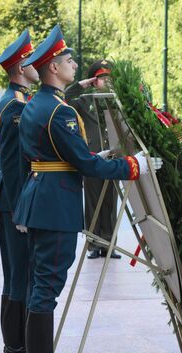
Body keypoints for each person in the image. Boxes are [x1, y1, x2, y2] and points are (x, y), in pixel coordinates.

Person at [13, 25, 161, 353]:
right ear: (53, 69)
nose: (74, 64)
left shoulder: (39, 105)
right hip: (55, 205)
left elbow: (62, 156)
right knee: (46, 286)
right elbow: (86, 166)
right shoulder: (58, 112)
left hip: (43, 197)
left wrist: (93, 155)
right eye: (68, 60)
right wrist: (132, 166)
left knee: (40, 283)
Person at [0, 29, 38, 353]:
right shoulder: (14, 106)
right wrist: (23, 208)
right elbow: (11, 163)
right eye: (32, 60)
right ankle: (16, 350)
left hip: (9, 199)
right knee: (19, 274)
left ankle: (16, 347)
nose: (38, 64)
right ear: (21, 66)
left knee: (17, 273)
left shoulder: (15, 101)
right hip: (12, 201)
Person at [65, 59, 121, 260]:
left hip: (113, 158)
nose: (105, 82)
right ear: (94, 80)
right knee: (92, 200)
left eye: (108, 78)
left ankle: (109, 244)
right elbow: (65, 98)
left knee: (110, 202)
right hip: (92, 158)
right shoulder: (84, 101)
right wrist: (82, 85)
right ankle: (93, 244)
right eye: (100, 78)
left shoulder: (116, 101)